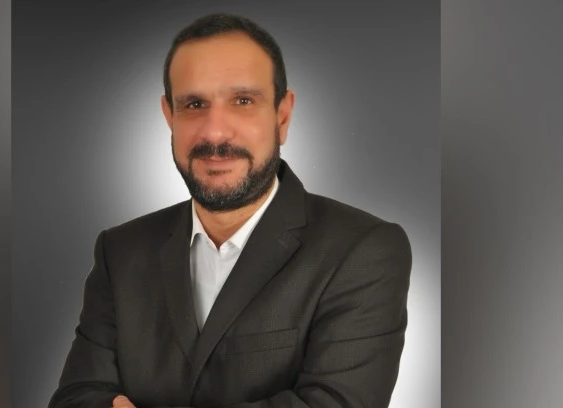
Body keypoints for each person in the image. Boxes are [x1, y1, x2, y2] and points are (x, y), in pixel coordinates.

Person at [48, 12, 412, 408]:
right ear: (169, 117)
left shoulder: (362, 250)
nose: (215, 132)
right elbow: (76, 398)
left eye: (243, 101)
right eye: (194, 104)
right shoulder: (120, 251)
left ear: (282, 116)